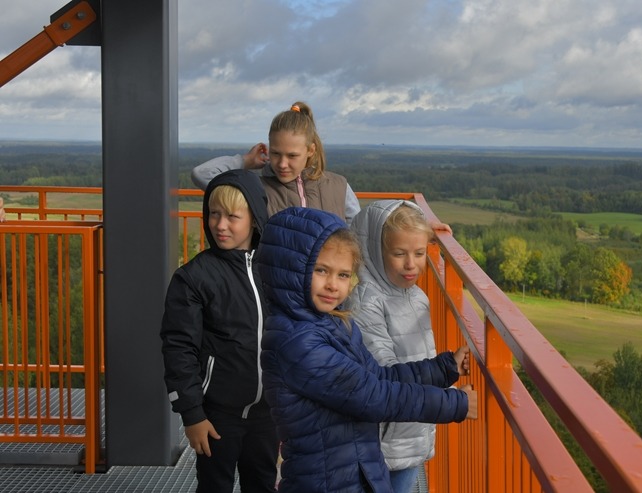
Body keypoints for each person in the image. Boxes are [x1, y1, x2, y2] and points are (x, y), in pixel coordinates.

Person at [255, 206, 477, 493]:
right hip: (324, 481)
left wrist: (443, 368)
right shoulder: (298, 343)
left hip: (350, 469)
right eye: (321, 270)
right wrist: (454, 403)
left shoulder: (330, 324)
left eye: (344, 275)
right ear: (289, 268)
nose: (333, 285)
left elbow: (379, 377)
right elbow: (372, 396)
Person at [160, 169, 279, 493]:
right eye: (214, 214)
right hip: (216, 416)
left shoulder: (274, 270)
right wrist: (192, 415)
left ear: (254, 219)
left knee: (263, 485)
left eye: (232, 216)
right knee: (215, 487)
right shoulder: (194, 277)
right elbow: (178, 348)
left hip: (268, 415)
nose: (220, 225)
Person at [349, 199, 448, 493]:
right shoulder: (367, 300)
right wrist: (446, 389)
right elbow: (385, 370)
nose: (411, 264)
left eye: (419, 253)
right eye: (399, 253)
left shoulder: (416, 296)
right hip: (381, 435)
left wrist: (430, 231)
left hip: (411, 426)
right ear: (376, 253)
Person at [191, 101, 360, 224]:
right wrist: (245, 161)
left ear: (311, 150)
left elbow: (357, 237)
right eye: (276, 153)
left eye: (292, 155)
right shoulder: (255, 188)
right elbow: (202, 174)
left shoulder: (339, 187)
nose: (282, 164)